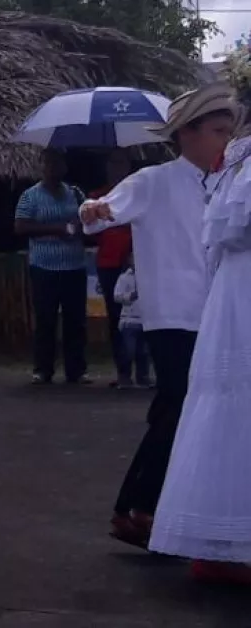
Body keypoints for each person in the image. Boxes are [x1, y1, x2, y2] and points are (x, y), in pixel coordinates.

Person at [78, 83, 236, 551]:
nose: (225, 141)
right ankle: (143, 506)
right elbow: (98, 213)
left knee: (177, 407)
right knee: (184, 403)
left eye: (229, 132)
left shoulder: (227, 184)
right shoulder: (153, 180)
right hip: (172, 314)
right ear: (186, 133)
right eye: (217, 131)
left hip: (215, 314)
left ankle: (137, 508)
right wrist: (94, 208)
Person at [144, 83, 251, 583]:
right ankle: (220, 541)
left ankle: (222, 539)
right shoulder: (238, 166)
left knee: (226, 410)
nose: (225, 136)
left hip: (225, 298)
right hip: (228, 300)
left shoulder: (231, 166)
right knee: (227, 407)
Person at [15, 149, 89, 385]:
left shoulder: (76, 194)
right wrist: (56, 229)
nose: (54, 168)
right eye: (49, 164)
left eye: (58, 164)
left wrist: (78, 228)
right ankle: (43, 369)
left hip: (74, 265)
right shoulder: (30, 196)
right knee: (45, 319)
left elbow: (88, 220)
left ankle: (76, 370)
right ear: (42, 167)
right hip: (44, 266)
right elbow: (21, 227)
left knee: (75, 320)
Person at [91, 149, 135, 387]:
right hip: (108, 264)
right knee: (117, 320)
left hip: (137, 265)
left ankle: (145, 371)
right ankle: (123, 371)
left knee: (142, 318)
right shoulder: (99, 198)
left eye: (121, 162)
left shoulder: (139, 194)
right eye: (112, 163)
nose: (116, 168)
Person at [112, 260, 151, 390]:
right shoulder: (124, 278)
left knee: (143, 352)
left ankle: (143, 378)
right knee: (128, 351)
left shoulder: (149, 277)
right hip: (129, 320)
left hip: (145, 321)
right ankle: (124, 377)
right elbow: (116, 296)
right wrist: (130, 296)